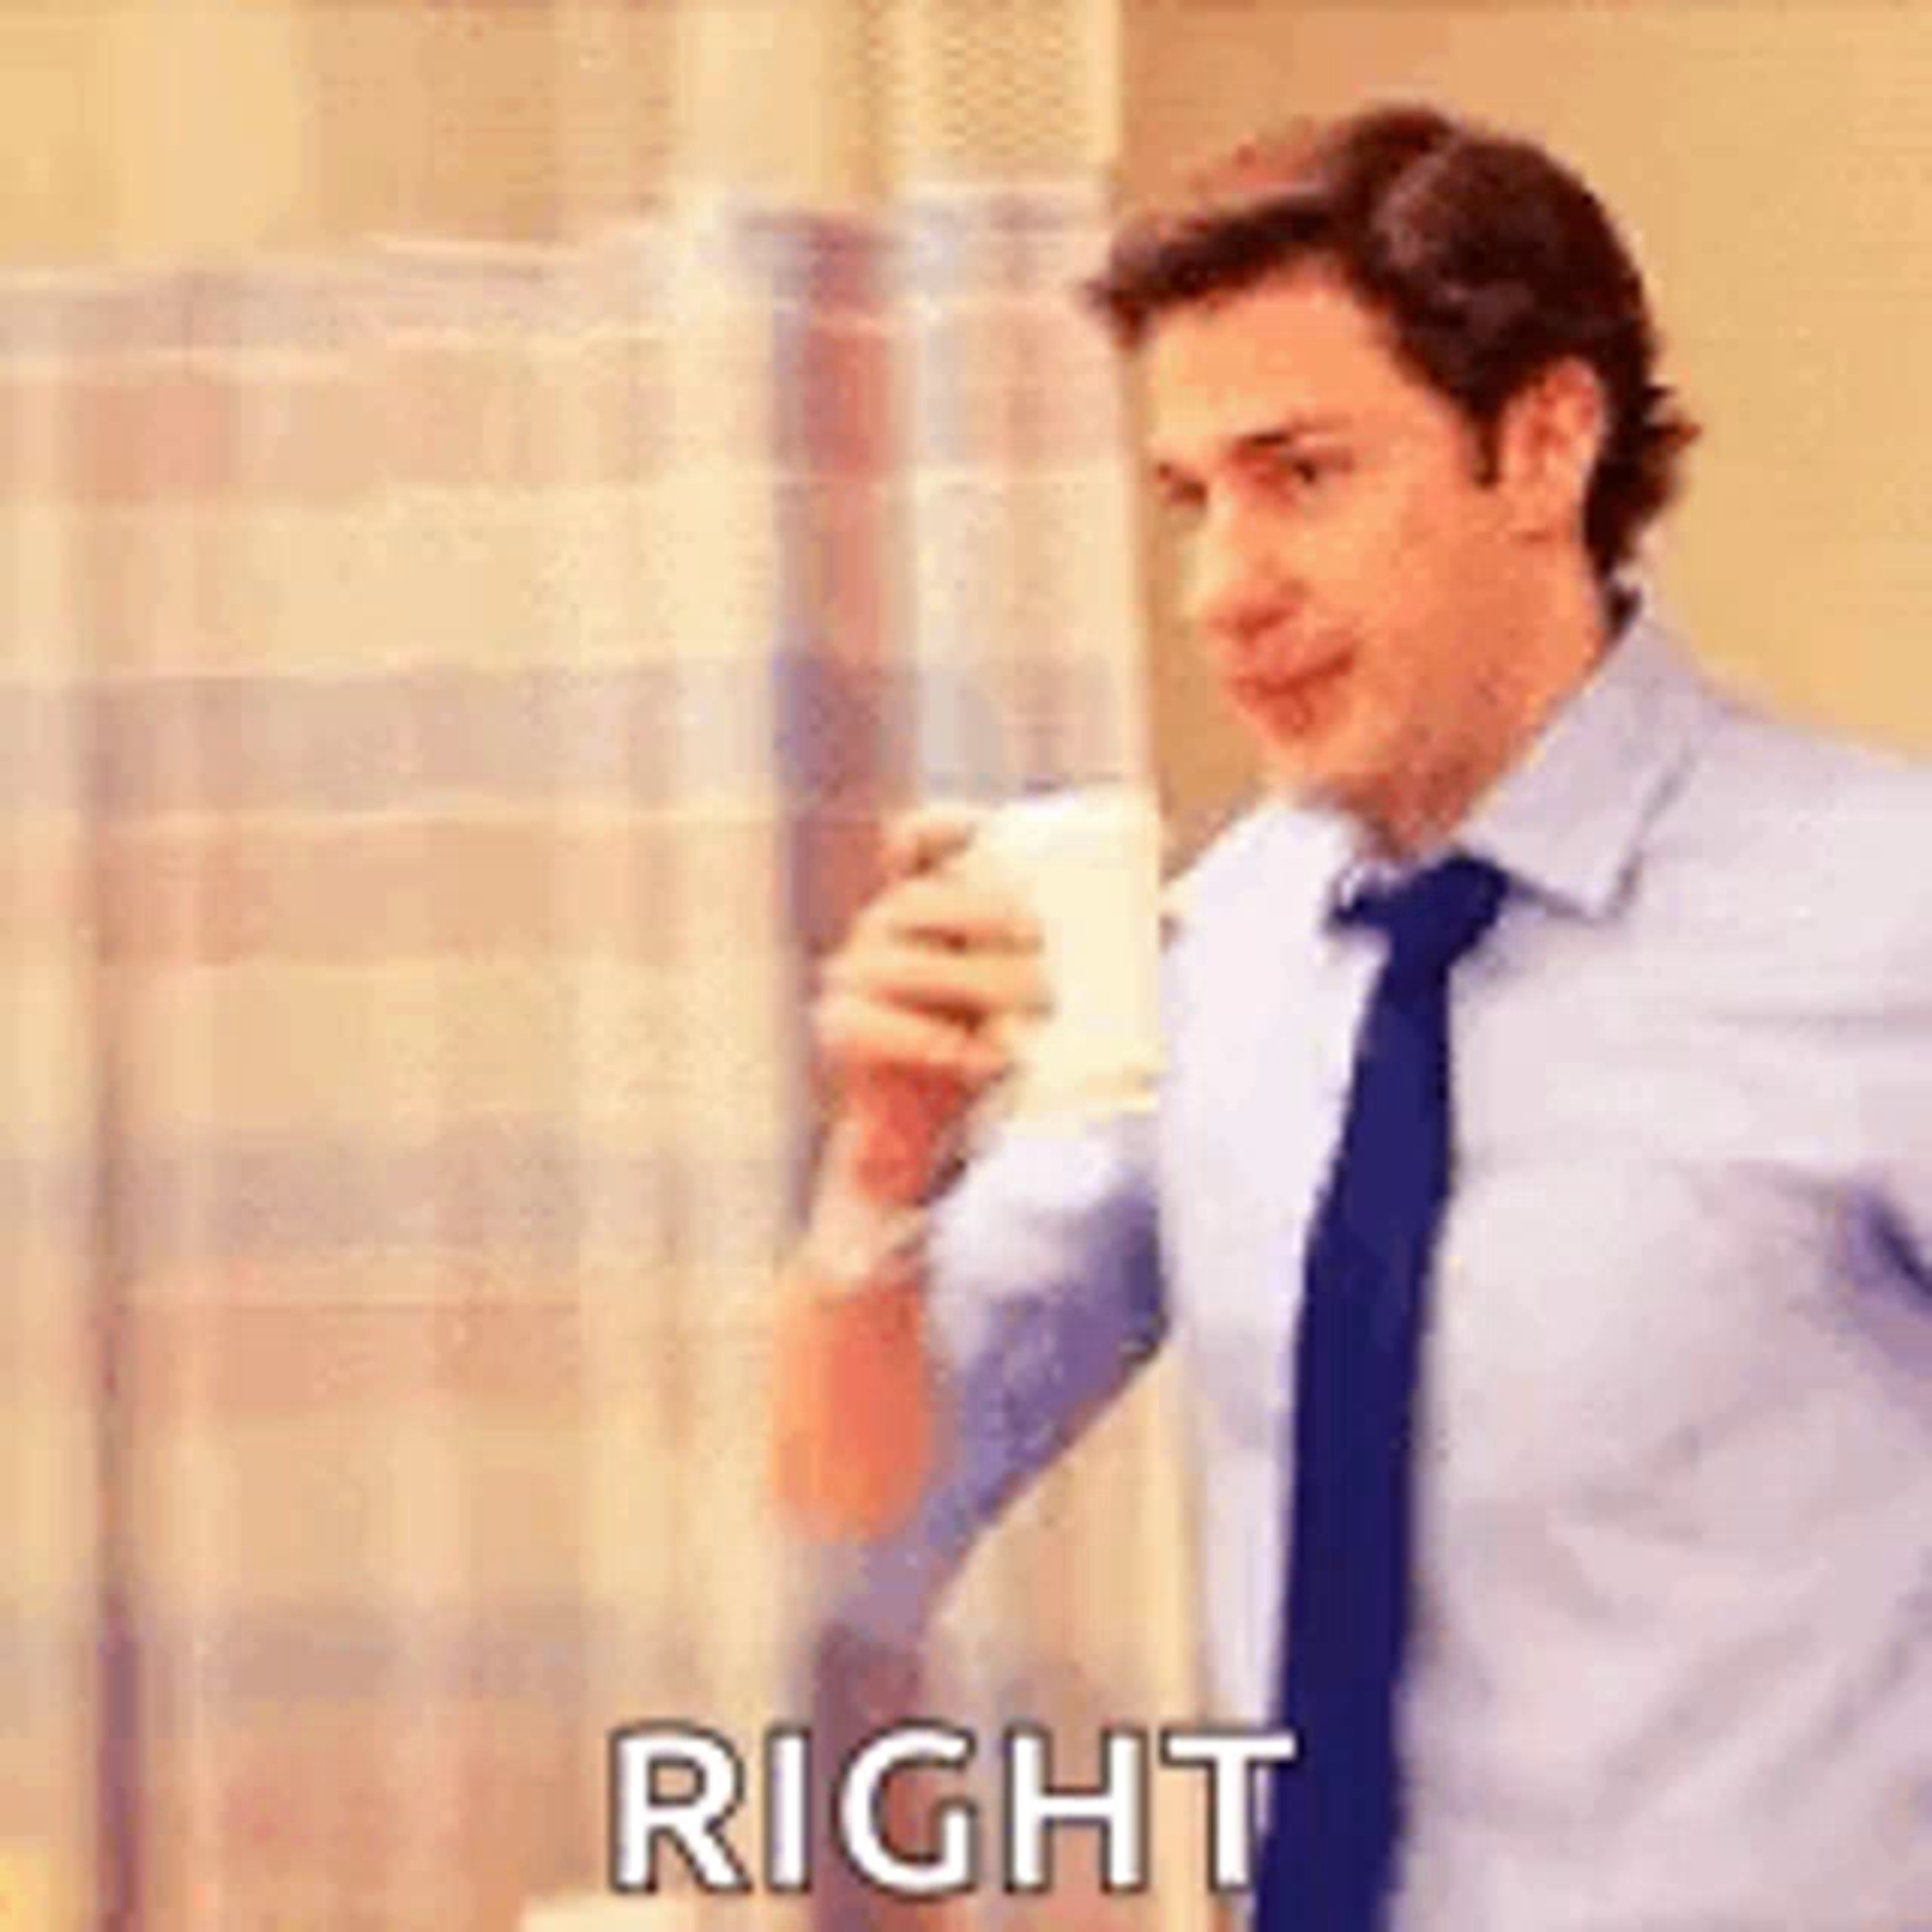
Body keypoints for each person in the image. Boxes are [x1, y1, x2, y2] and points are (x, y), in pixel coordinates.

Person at [772, 103, 1932, 1928]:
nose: (1220, 594)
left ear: (1544, 441)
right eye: (1192, 500)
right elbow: (858, 1527)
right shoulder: (1212, 955)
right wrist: (879, 1175)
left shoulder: (1888, 927)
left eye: (1300, 475)